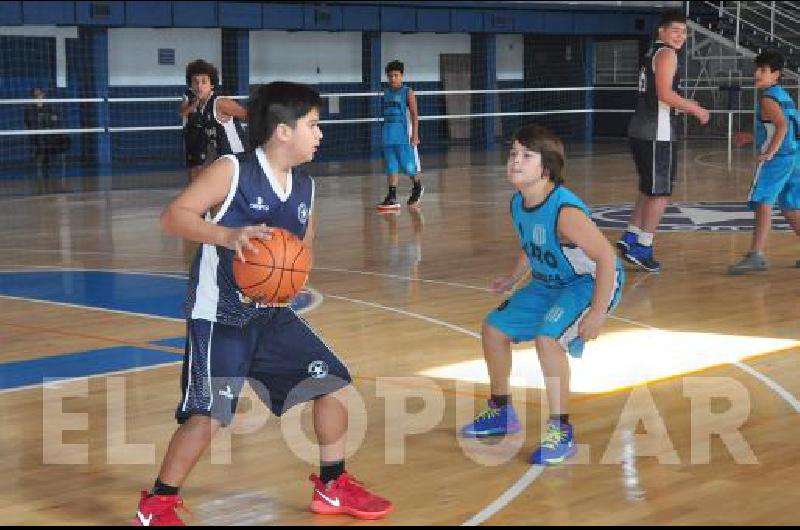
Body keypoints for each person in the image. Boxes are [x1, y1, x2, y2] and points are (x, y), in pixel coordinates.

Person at [134, 81, 393, 526]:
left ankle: (332, 486)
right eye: (313, 124)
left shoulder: (306, 187)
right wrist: (228, 237)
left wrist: (292, 274)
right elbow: (173, 216)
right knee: (209, 415)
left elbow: (304, 245)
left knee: (330, 383)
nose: (320, 134)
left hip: (272, 313)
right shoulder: (232, 171)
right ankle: (156, 504)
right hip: (220, 314)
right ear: (282, 131)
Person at [460, 124, 624, 466]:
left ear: (546, 168)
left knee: (548, 340)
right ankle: (501, 412)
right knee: (494, 329)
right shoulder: (519, 202)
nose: (515, 161)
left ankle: (561, 430)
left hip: (587, 283)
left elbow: (607, 258)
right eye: (513, 154)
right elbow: (532, 244)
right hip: (550, 280)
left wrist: (597, 314)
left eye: (526, 156)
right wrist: (512, 278)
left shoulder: (565, 212)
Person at [618, 11, 710, 272]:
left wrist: (685, 102)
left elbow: (660, 94)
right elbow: (665, 94)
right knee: (661, 193)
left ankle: (631, 237)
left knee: (649, 189)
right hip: (656, 132)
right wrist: (696, 110)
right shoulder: (668, 54)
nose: (681, 36)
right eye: (675, 30)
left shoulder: (652, 53)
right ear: (661, 31)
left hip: (641, 128)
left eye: (684, 31)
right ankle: (643, 248)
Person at [729, 50, 800, 274]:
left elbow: (782, 127)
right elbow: (784, 128)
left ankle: (756, 254)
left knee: (762, 203)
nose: (757, 74)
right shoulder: (784, 95)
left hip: (779, 159)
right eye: (756, 69)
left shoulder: (769, 98)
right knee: (790, 208)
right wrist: (751, 137)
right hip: (794, 157)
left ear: (776, 74)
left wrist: (770, 152)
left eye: (763, 70)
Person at [180, 59, 248, 183]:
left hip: (238, 158)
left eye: (204, 82)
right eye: (195, 82)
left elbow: (249, 116)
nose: (199, 86)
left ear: (212, 85)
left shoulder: (220, 102)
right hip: (223, 159)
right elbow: (212, 140)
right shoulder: (200, 107)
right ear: (191, 85)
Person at [376, 60, 424, 211]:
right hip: (388, 133)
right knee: (391, 165)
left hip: (402, 134)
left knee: (408, 165)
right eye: (390, 76)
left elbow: (415, 115)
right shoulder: (386, 93)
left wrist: (415, 135)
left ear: (402, 76)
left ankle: (417, 186)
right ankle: (392, 196)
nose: (393, 79)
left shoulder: (407, 92)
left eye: (396, 75)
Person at [23, 87, 68, 193]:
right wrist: (43, 124)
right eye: (36, 95)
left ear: (43, 95)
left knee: (64, 139)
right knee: (41, 143)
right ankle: (40, 167)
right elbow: (31, 124)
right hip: (38, 135)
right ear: (33, 97)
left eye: (40, 94)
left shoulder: (50, 106)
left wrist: (49, 124)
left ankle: (61, 174)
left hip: (50, 134)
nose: (39, 96)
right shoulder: (30, 108)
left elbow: (55, 120)